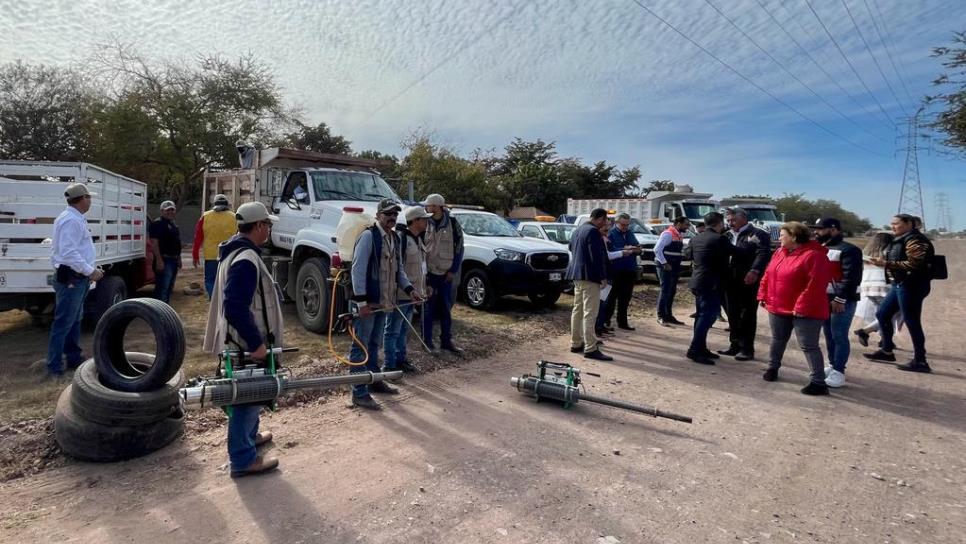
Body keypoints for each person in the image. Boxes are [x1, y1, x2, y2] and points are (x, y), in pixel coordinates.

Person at [202, 201, 282, 477]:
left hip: (242, 341)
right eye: (267, 225)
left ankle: (251, 437)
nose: (269, 229)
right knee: (245, 397)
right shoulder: (246, 260)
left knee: (253, 392)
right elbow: (235, 307)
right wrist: (257, 344)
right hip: (246, 343)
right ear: (258, 226)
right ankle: (243, 459)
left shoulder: (236, 251)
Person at [348, 199, 423, 410]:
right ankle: (358, 392)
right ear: (378, 215)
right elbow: (357, 270)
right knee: (360, 346)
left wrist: (410, 290)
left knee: (374, 344)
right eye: (388, 213)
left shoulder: (394, 239)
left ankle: (373, 381)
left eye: (395, 214)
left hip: (384, 303)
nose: (392, 217)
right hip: (367, 304)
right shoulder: (368, 237)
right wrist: (361, 301)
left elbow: (399, 271)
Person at [758, 222, 833, 395]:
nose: (779, 238)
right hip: (778, 306)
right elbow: (768, 275)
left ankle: (818, 382)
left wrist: (801, 306)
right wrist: (763, 295)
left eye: (782, 234)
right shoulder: (779, 252)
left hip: (806, 311)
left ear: (794, 236)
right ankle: (772, 368)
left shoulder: (814, 256)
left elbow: (816, 285)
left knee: (808, 345)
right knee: (778, 339)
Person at [864, 214, 936, 373]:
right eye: (891, 224)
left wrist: (886, 263)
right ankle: (887, 350)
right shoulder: (902, 239)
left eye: (896, 224)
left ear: (909, 224)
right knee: (882, 314)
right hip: (900, 284)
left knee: (912, 322)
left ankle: (921, 361)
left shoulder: (915, 240)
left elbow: (915, 264)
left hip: (912, 285)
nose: (892, 226)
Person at [47, 183, 104, 379]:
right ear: (82, 199)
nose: (90, 201)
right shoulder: (71, 220)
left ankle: (72, 357)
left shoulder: (73, 218)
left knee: (74, 320)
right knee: (64, 322)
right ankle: (54, 366)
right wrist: (90, 271)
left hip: (75, 277)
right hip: (72, 277)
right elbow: (69, 252)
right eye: (89, 197)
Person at [812, 218, 863, 388]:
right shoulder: (822, 249)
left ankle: (839, 371)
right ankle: (833, 365)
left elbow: (851, 278)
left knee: (839, 335)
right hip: (824, 298)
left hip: (842, 300)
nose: (816, 232)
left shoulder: (850, 250)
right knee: (828, 334)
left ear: (833, 230)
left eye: (820, 229)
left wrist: (840, 298)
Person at [719, 207, 772, 361]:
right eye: (728, 220)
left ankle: (747, 348)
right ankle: (734, 345)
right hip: (729, 279)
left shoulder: (757, 234)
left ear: (743, 218)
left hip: (748, 279)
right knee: (732, 312)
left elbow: (762, 254)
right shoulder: (727, 235)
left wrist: (755, 271)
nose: (730, 223)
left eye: (733, 219)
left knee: (747, 314)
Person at [384, 206, 431, 374]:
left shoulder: (419, 239)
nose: (427, 222)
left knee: (404, 330)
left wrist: (426, 286)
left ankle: (401, 360)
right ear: (415, 220)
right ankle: (389, 365)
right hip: (401, 294)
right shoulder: (402, 239)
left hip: (414, 294)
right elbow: (397, 268)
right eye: (424, 219)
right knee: (393, 330)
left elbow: (422, 267)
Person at [684, 211, 732, 365]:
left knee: (701, 316)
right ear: (720, 223)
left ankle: (700, 347)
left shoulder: (697, 237)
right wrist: (752, 244)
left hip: (698, 282)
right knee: (707, 317)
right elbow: (737, 252)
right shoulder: (720, 239)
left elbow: (687, 254)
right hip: (711, 283)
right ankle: (695, 349)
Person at [566, 208, 613, 361]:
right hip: (590, 277)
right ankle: (591, 348)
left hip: (577, 275)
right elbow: (597, 256)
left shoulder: (578, 230)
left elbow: (571, 248)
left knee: (578, 310)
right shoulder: (593, 232)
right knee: (590, 313)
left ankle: (576, 342)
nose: (605, 223)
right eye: (605, 220)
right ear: (600, 219)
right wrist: (602, 276)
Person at [422, 193, 464, 354]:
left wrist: (453, 270)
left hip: (446, 274)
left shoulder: (452, 223)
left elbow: (459, 247)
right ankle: (427, 342)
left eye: (430, 205)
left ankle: (446, 341)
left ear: (438, 206)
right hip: (430, 273)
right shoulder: (424, 222)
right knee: (428, 309)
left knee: (446, 308)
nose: (427, 208)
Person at [853, 232, 899, 346]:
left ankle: (885, 340)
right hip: (885, 288)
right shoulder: (888, 253)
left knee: (882, 314)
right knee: (889, 315)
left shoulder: (865, 253)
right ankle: (865, 332)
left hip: (868, 288)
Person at [192, 194, 236, 299]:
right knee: (227, 279)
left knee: (211, 280)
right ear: (227, 204)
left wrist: (195, 255)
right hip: (228, 254)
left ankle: (213, 299)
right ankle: (225, 300)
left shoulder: (205, 216)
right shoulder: (234, 217)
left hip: (210, 255)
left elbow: (198, 237)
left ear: (214, 204)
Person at [604, 213, 642, 331]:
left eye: (627, 224)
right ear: (616, 223)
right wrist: (625, 249)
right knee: (611, 298)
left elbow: (638, 249)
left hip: (629, 269)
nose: (625, 227)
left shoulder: (630, 233)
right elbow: (611, 250)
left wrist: (630, 249)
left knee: (625, 298)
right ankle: (606, 322)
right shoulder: (611, 233)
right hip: (616, 270)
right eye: (623, 224)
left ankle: (623, 322)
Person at [654, 216, 690, 326]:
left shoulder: (678, 234)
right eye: (686, 224)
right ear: (678, 223)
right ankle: (661, 316)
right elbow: (657, 249)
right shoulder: (668, 234)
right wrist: (664, 263)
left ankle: (668, 315)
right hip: (666, 266)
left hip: (673, 266)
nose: (687, 227)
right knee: (665, 290)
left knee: (671, 291)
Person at [150, 200, 182, 304]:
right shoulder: (157, 224)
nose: (170, 212)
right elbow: (154, 243)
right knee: (162, 288)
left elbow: (177, 243)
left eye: (172, 210)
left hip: (173, 260)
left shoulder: (174, 225)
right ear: (162, 211)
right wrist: (159, 260)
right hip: (164, 260)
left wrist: (179, 258)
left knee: (169, 288)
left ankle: (165, 311)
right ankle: (158, 313)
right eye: (167, 210)